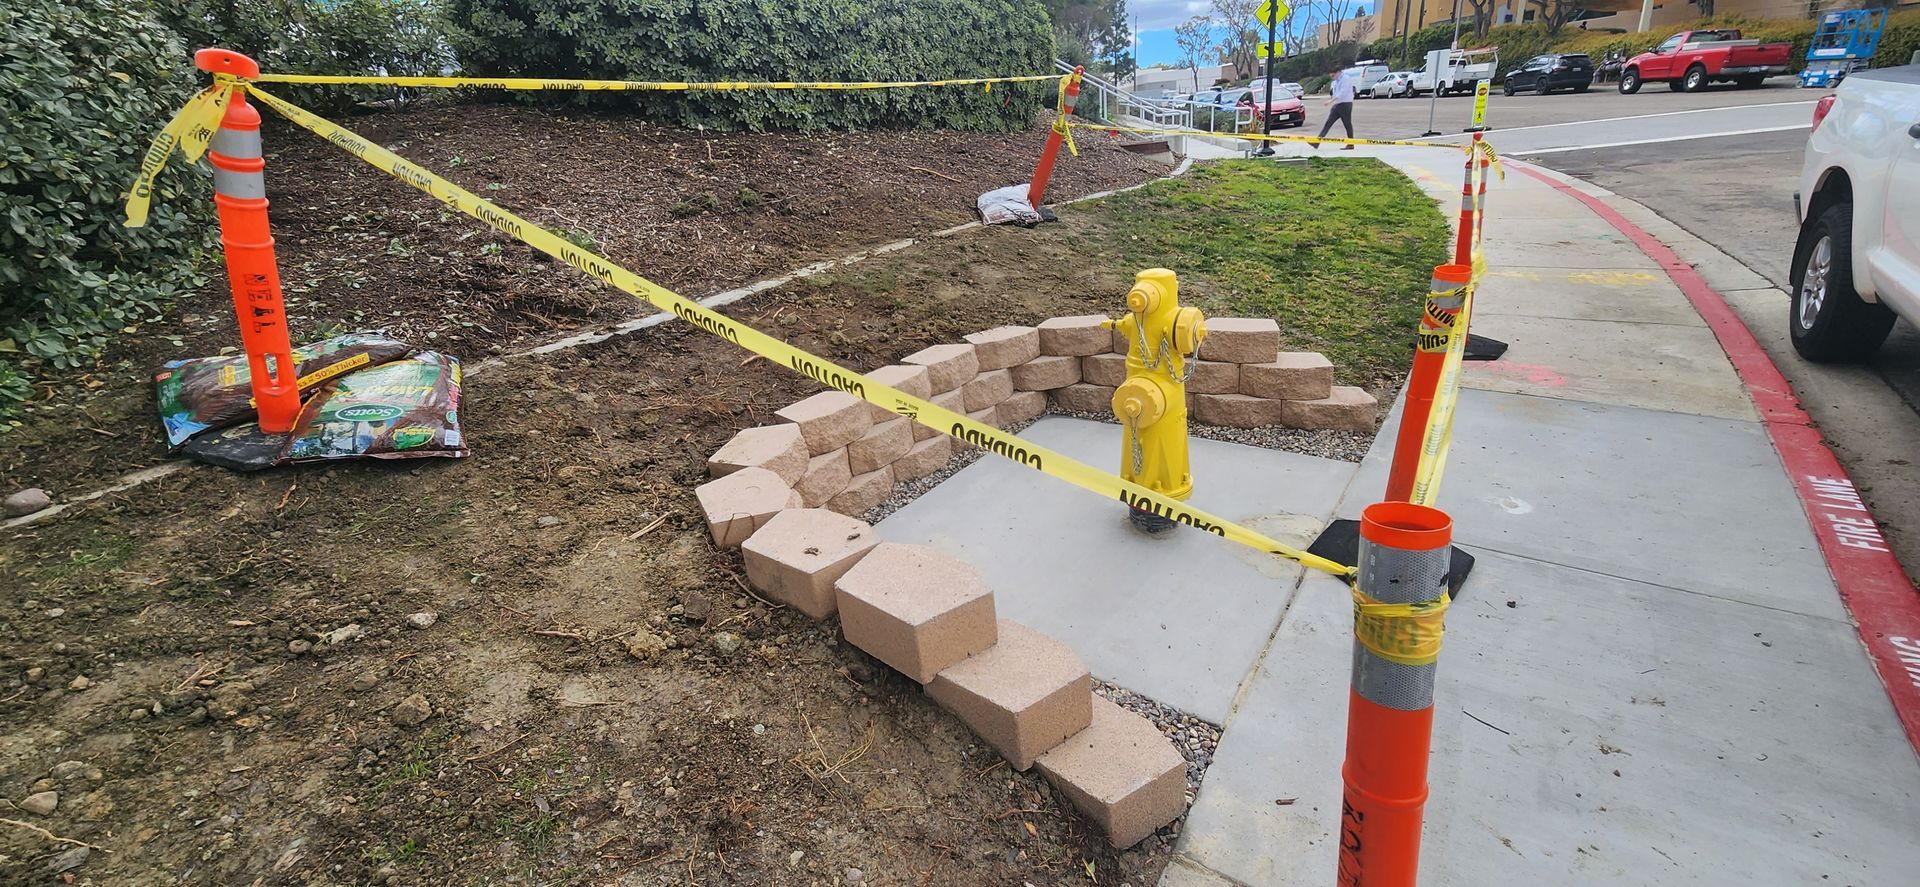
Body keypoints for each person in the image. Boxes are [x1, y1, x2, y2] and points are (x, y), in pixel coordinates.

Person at [1313, 65, 1356, 150]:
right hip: (1337, 105)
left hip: (1345, 104)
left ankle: (1351, 144)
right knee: (1328, 123)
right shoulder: (1337, 81)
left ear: (1338, 72)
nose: (1333, 78)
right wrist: (1331, 99)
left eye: (1333, 76)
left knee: (1347, 124)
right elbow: (1335, 93)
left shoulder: (1345, 79)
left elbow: (1342, 93)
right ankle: (1317, 142)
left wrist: (1331, 101)